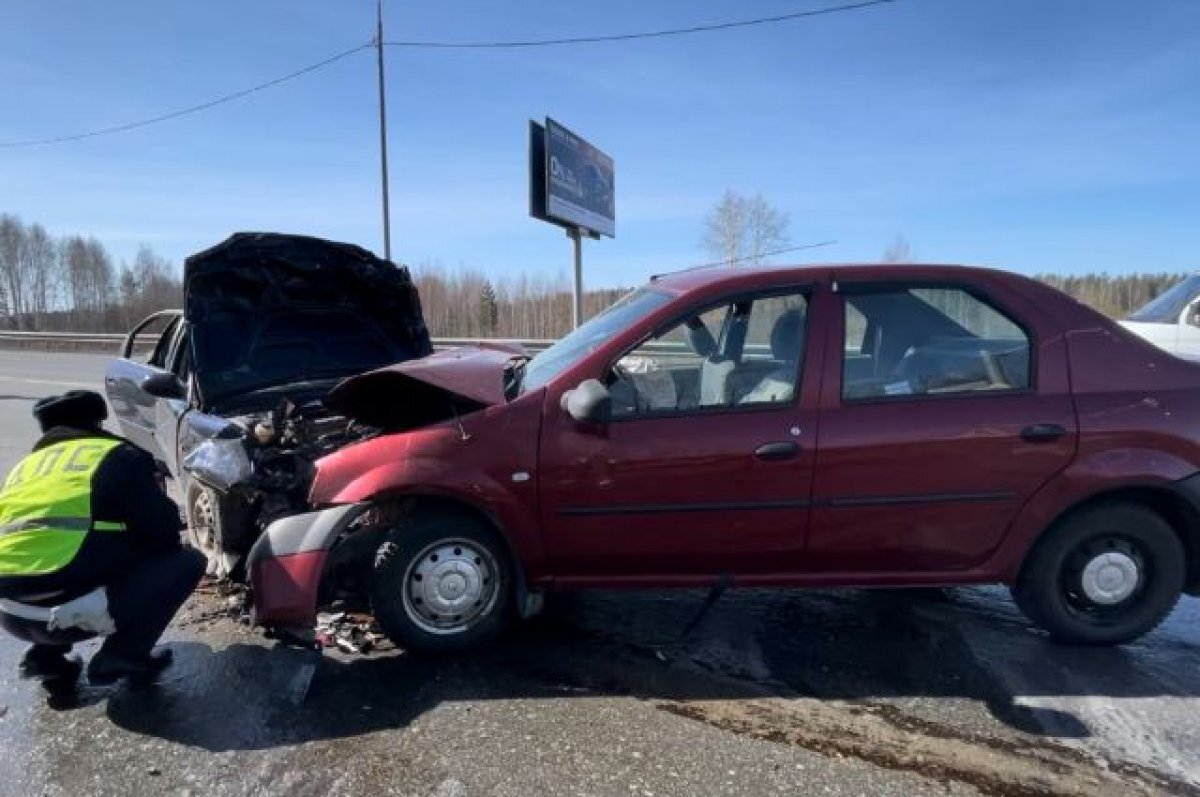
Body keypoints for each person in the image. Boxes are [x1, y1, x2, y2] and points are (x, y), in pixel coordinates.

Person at [0, 390, 206, 687]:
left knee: (52, 554)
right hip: (71, 610)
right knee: (185, 561)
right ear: (96, 422)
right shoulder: (116, 457)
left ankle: (45, 658)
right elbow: (163, 532)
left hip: (11, 614)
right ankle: (122, 654)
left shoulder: (25, 467)